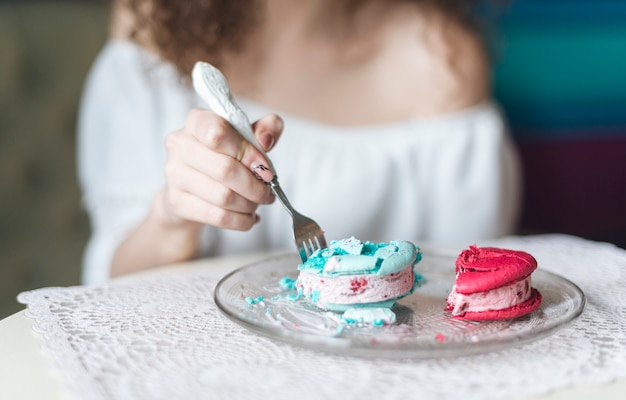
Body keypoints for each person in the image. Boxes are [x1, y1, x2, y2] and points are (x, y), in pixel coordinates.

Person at [77, 0, 521, 284]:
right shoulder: (152, 23)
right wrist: (173, 220)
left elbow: (467, 287)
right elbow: (113, 287)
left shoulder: (438, 57)